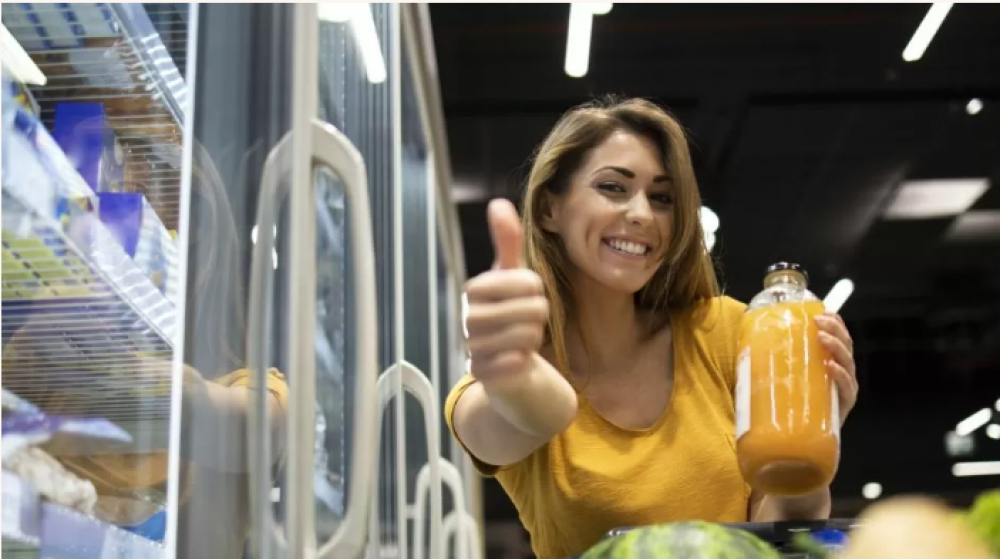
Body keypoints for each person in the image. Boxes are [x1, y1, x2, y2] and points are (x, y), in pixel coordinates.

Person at [444, 97, 859, 559]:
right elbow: (529, 415)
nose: (642, 213)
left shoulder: (728, 331)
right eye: (613, 187)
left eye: (661, 198)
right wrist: (515, 375)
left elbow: (773, 536)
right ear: (547, 209)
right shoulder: (490, 391)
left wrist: (812, 444)